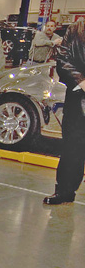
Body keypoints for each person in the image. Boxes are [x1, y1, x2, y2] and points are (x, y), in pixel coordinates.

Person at [43, 19, 85, 205]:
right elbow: (63, 60)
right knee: (72, 148)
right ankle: (65, 191)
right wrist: (81, 81)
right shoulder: (77, 28)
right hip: (78, 99)